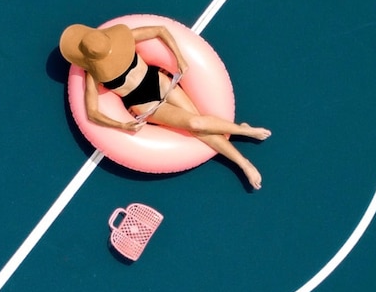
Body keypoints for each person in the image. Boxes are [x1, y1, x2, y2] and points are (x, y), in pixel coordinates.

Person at [60, 22, 270, 189]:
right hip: (147, 104)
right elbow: (92, 112)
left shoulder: (124, 40)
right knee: (196, 124)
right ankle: (243, 151)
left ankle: (242, 137)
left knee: (199, 128)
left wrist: (179, 57)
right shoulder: (93, 74)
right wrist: (121, 126)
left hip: (161, 82)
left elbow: (160, 30)